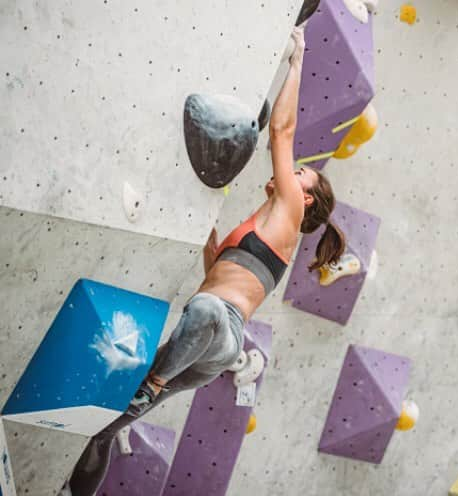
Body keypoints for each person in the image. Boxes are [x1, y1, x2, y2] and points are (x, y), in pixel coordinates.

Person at [66, 26, 345, 496]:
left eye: (301, 175)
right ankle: (82, 480)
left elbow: (282, 130)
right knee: (114, 416)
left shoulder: (289, 212)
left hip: (219, 326)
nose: (291, 172)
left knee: (194, 327)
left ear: (306, 200)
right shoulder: (265, 222)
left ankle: (154, 380)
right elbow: (220, 276)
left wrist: (297, 62)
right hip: (210, 345)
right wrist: (208, 241)